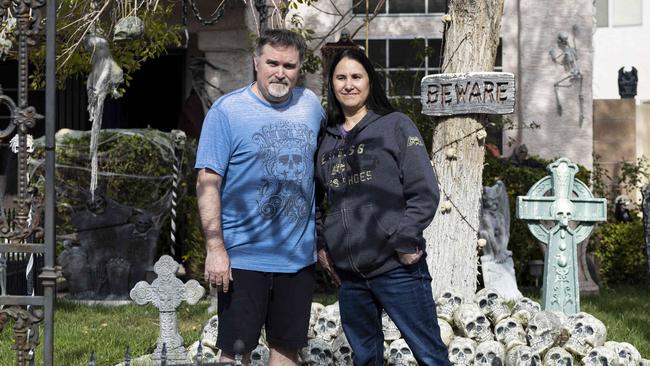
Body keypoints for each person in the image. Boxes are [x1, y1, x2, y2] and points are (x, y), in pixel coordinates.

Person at [195, 29, 324, 365]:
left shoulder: (311, 106)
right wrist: (215, 249)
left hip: (297, 259)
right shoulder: (227, 112)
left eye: (289, 65)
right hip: (242, 259)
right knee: (235, 351)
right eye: (272, 63)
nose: (280, 72)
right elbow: (207, 182)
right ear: (256, 62)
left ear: (299, 68)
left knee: (287, 350)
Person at [316, 47, 450, 366]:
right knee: (365, 359)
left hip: (397, 268)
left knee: (429, 354)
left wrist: (404, 238)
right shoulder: (325, 139)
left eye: (356, 77)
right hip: (350, 276)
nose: (349, 84)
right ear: (332, 84)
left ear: (370, 82)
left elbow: (424, 190)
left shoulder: (395, 125)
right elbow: (317, 200)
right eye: (341, 77)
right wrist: (322, 245)